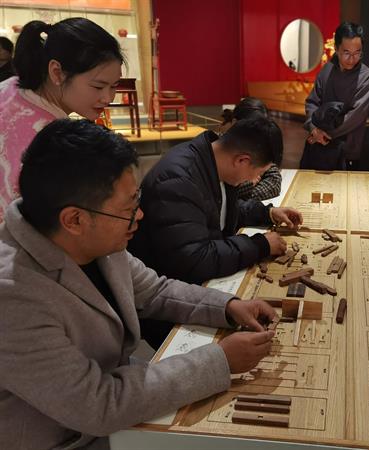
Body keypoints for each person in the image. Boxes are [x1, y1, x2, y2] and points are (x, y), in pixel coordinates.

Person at [0, 119, 277, 449]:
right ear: (74, 219)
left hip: (111, 403)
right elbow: (99, 404)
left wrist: (229, 306)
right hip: (66, 437)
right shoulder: (13, 297)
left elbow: (154, 291)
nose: (140, 215)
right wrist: (220, 361)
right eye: (129, 207)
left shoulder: (96, 239)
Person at [128, 116, 303, 284]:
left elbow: (218, 210)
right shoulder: (178, 181)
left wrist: (268, 213)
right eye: (258, 173)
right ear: (242, 160)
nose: (254, 179)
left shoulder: (214, 160)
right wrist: (260, 245)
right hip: (169, 287)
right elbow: (194, 260)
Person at [0, 18, 123, 221]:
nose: (108, 98)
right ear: (57, 73)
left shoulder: (10, 87)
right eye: (98, 86)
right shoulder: (52, 138)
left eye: (114, 86)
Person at [302, 21, 369, 170]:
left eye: (357, 53)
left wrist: (321, 134)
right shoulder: (327, 69)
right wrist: (313, 129)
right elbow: (312, 102)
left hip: (347, 149)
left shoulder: (367, 77)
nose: (352, 59)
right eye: (347, 53)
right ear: (336, 49)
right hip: (318, 146)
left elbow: (355, 117)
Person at [220, 97, 283, 201]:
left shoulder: (256, 143)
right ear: (235, 123)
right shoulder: (219, 147)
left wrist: (242, 198)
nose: (257, 135)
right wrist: (249, 183)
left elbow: (274, 180)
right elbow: (220, 192)